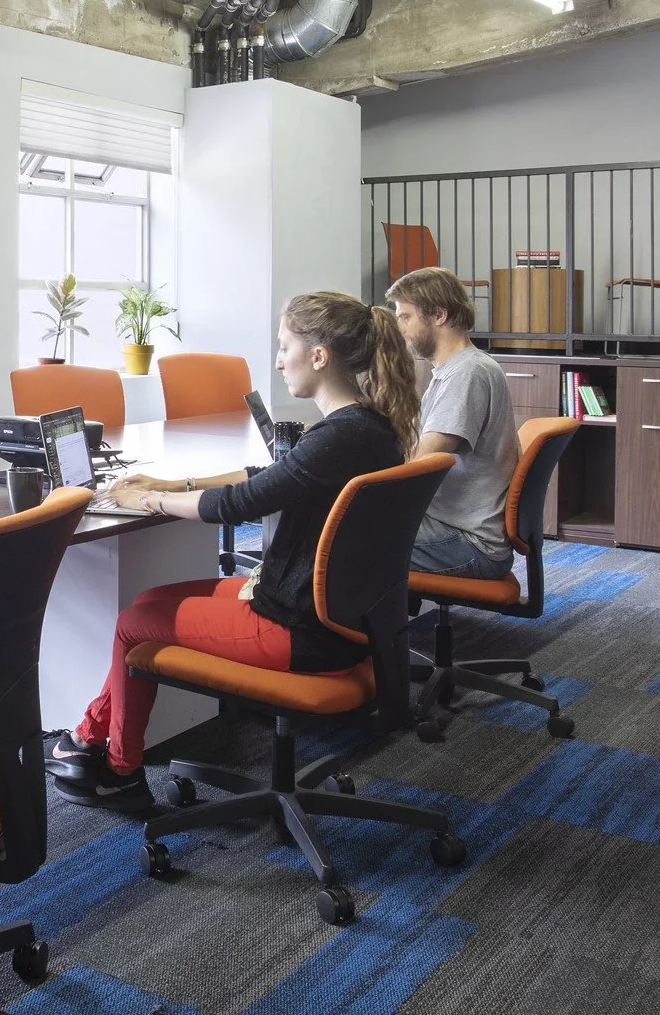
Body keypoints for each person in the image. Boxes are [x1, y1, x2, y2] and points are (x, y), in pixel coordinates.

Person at [44, 292, 422, 811]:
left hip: (300, 631)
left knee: (133, 623)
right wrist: (171, 483)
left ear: (319, 356)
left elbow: (239, 504)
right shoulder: (367, 429)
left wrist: (148, 500)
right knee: (150, 601)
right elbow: (271, 477)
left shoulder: (340, 437)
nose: (278, 361)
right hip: (341, 620)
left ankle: (119, 772)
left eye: (284, 347)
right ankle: (87, 738)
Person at [387, 266, 518, 581]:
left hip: (469, 542)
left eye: (405, 317)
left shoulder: (466, 373)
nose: (400, 328)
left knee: (341, 530)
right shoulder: (455, 370)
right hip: (455, 525)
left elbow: (421, 461)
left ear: (439, 315)